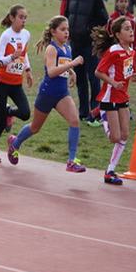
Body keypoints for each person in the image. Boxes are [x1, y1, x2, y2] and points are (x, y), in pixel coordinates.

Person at [7, 16, 86, 173]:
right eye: (62, 30)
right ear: (53, 32)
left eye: (67, 29)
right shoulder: (51, 49)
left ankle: (71, 161)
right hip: (47, 93)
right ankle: (15, 143)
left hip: (62, 93)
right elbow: (51, 72)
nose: (66, 33)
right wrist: (73, 64)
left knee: (74, 120)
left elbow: (62, 64)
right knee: (35, 127)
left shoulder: (67, 47)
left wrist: (71, 73)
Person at [92, 16, 136, 185]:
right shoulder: (113, 51)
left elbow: (130, 76)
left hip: (123, 97)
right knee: (114, 137)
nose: (131, 31)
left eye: (131, 28)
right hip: (109, 96)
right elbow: (98, 72)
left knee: (124, 135)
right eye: (126, 29)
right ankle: (101, 115)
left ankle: (110, 171)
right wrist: (112, 83)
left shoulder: (131, 52)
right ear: (118, 34)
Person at [0, 4, 33, 162]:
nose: (23, 20)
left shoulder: (26, 34)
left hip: (16, 83)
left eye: (25, 18)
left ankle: (9, 112)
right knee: (1, 122)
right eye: (21, 17)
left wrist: (28, 70)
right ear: (12, 18)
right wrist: (12, 57)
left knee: (25, 113)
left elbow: (24, 54)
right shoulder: (6, 36)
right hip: (3, 83)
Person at [65, 0, 108, 126]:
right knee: (80, 79)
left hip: (89, 44)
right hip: (75, 43)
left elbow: (104, 18)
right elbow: (66, 15)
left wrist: (91, 29)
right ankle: (83, 112)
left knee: (93, 77)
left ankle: (94, 111)